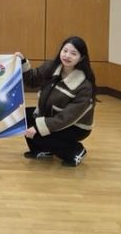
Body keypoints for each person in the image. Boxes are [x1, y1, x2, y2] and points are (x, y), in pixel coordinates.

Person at [16, 36, 96, 167]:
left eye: (73, 53)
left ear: (81, 58)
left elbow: (67, 118)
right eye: (65, 51)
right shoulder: (51, 67)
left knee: (39, 133)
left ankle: (75, 151)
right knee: (22, 118)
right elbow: (32, 80)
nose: (67, 55)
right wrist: (22, 62)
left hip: (75, 127)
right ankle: (43, 150)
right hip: (51, 116)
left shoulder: (85, 86)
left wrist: (38, 128)